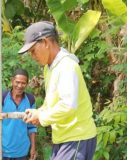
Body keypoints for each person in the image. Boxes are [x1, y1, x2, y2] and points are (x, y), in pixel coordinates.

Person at [19, 21, 97, 160]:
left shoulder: (67, 66)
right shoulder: (49, 68)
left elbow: (68, 105)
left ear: (45, 42)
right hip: (62, 138)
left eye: (33, 51)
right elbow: (52, 102)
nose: (33, 56)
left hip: (77, 137)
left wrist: (41, 117)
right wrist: (38, 112)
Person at [0, 69, 37, 160]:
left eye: (23, 83)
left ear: (27, 84)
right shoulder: (2, 97)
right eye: (17, 82)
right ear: (12, 81)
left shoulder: (30, 100)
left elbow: (32, 127)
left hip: (22, 152)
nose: (20, 86)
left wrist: (33, 147)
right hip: (2, 151)